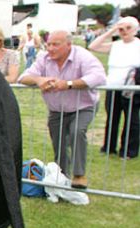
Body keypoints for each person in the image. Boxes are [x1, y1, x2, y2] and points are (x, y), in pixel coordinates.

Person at [18, 30, 106, 189]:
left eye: (55, 44)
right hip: (57, 110)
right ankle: (63, 174)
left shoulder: (83, 56)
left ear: (68, 45)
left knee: (77, 131)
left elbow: (99, 76)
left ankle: (79, 175)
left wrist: (68, 84)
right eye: (49, 44)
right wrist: (39, 80)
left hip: (83, 106)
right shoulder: (44, 59)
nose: (50, 48)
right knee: (58, 139)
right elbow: (23, 77)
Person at [89, 16, 140, 159]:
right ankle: (109, 147)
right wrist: (112, 30)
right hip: (113, 86)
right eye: (122, 28)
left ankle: (129, 150)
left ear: (135, 30)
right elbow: (93, 46)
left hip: (131, 88)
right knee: (112, 118)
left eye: (128, 28)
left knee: (131, 119)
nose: (125, 31)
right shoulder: (116, 45)